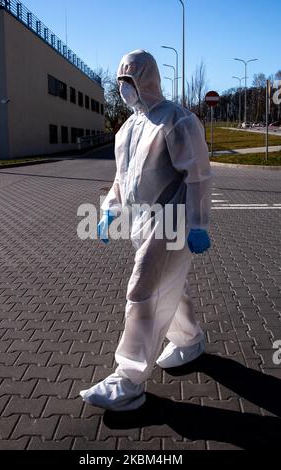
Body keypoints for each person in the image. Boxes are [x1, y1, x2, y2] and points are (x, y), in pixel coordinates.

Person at [80, 49, 213, 411]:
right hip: (142, 222)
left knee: (142, 289)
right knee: (170, 284)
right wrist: (110, 211)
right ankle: (188, 339)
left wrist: (198, 223)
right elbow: (121, 180)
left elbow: (198, 175)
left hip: (173, 220)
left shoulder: (176, 120)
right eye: (121, 81)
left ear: (146, 80)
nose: (124, 88)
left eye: (130, 80)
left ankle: (130, 380)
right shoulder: (126, 129)